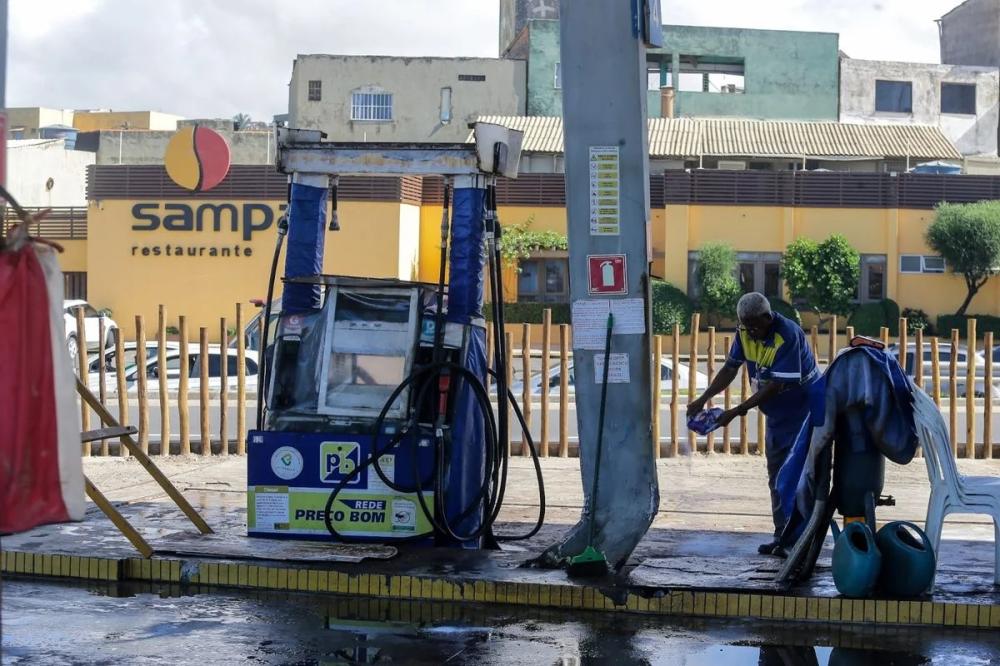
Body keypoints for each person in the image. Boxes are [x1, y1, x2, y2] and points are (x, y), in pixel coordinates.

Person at [687, 292, 818, 557]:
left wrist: (737, 411)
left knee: (793, 475)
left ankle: (801, 539)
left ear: (768, 317)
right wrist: (703, 398)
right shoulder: (745, 332)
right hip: (777, 415)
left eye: (755, 326)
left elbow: (777, 384)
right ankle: (783, 536)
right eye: (746, 327)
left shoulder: (787, 335)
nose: (751, 332)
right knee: (776, 475)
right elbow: (730, 369)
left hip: (803, 411)